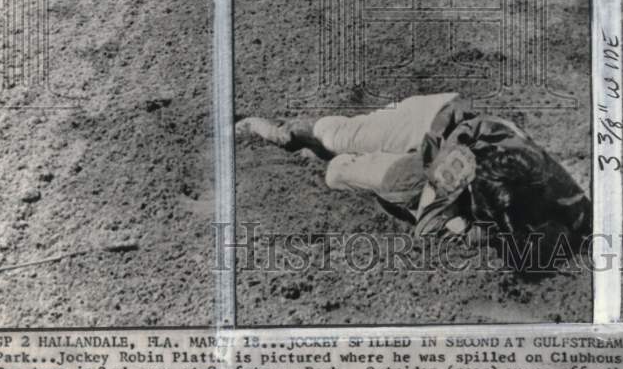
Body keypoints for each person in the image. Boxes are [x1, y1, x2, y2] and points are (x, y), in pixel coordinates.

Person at [237, 94, 592, 269]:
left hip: (452, 161)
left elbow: (581, 218)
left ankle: (323, 156)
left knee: (337, 174)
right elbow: (428, 227)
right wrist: (465, 227)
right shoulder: (459, 169)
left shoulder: (560, 194)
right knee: (340, 139)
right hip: (431, 120)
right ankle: (292, 130)